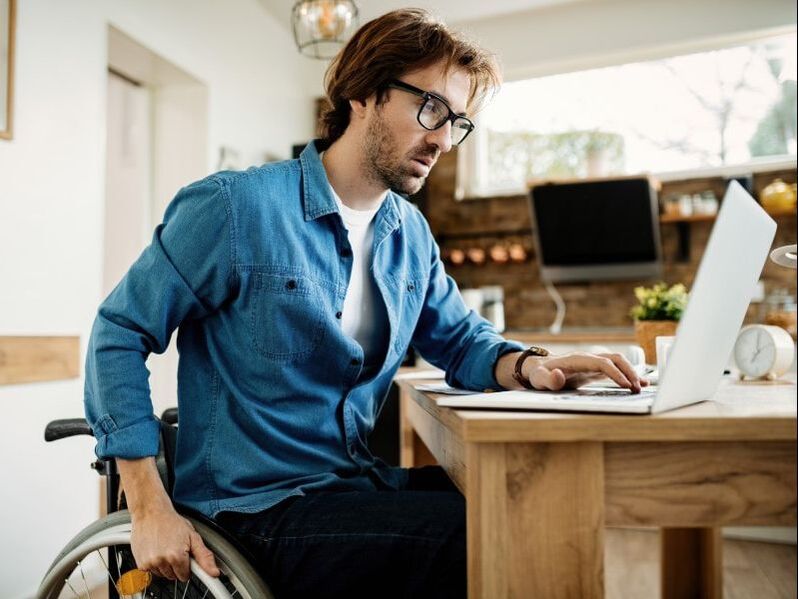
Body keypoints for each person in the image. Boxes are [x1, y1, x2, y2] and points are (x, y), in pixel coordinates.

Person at [84, 8, 645, 598]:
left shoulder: (410, 233)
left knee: (529, 499)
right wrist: (148, 506)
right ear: (364, 94)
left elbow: (458, 340)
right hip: (250, 513)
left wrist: (534, 364)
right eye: (430, 108)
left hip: (353, 486)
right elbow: (117, 332)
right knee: (473, 534)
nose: (443, 139)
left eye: (457, 122)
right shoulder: (235, 208)